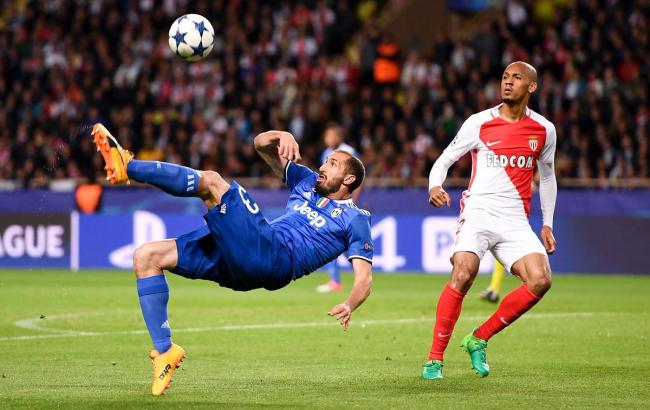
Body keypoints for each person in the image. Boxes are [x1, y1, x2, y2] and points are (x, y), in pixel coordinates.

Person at [91, 125, 373, 395]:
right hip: (246, 261)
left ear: (348, 180)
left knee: (212, 182)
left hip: (275, 258)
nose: (323, 166)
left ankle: (127, 166)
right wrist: (280, 135)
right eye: (326, 161)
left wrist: (349, 304)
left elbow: (364, 279)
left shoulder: (355, 219)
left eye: (333, 164)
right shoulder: (307, 181)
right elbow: (260, 145)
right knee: (147, 257)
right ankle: (165, 351)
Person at [421, 61, 557, 380]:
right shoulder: (478, 122)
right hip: (479, 212)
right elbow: (445, 159)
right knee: (463, 273)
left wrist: (547, 223)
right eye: (505, 77)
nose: (508, 82)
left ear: (531, 87)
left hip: (515, 220)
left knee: (540, 279)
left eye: (517, 78)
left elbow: (548, 177)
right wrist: (434, 186)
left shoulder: (544, 129)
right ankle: (434, 359)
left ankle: (479, 338)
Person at [317, 123, 362, 293]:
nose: (328, 139)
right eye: (326, 136)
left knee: (337, 239)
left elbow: (359, 177)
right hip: (330, 202)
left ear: (338, 136)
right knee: (332, 238)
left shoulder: (348, 152)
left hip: (344, 202)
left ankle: (357, 275)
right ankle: (338, 279)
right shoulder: (326, 154)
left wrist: (352, 200)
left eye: (331, 136)